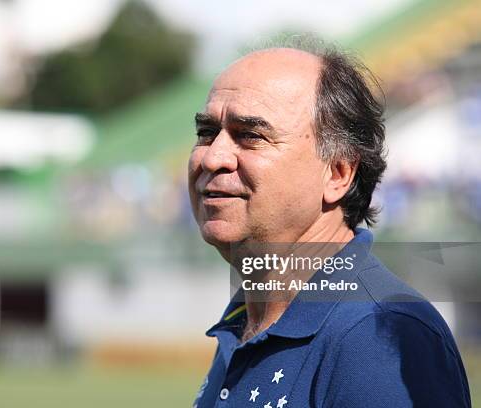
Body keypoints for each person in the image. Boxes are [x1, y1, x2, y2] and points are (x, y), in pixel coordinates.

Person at [188, 40, 471, 407]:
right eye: (206, 133)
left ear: (337, 173)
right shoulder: (250, 319)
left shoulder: (376, 335)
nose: (213, 157)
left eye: (250, 135)